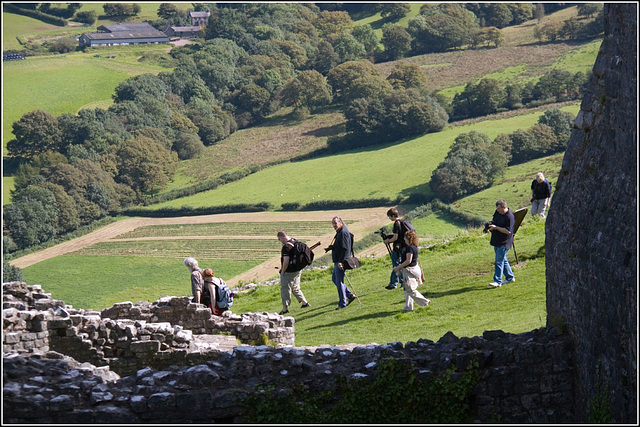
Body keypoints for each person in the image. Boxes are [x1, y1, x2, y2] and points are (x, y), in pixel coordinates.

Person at [393, 230, 430, 311]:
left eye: (405, 238)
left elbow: (408, 261)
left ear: (408, 238)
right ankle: (408, 307)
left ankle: (425, 302)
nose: (404, 239)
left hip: (409, 270)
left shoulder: (410, 248)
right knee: (407, 289)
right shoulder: (414, 247)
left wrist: (398, 267)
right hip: (413, 268)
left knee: (410, 289)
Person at [277, 231, 311, 315]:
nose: (280, 241)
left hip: (289, 271)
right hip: (298, 269)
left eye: (279, 239)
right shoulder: (295, 241)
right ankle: (304, 303)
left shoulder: (286, 247)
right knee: (295, 287)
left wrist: (283, 271)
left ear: (281, 237)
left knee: (285, 289)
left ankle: (285, 308)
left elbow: (286, 261)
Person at [329, 216, 357, 310]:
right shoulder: (340, 232)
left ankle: (342, 303)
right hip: (338, 260)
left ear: (340, 222)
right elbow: (340, 246)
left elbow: (345, 249)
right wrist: (331, 248)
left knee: (339, 281)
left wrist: (341, 262)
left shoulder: (343, 233)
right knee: (335, 279)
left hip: (340, 261)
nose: (334, 225)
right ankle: (350, 295)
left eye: (335, 223)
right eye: (333, 223)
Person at [382, 207, 413, 290]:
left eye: (389, 217)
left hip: (398, 247)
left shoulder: (396, 223)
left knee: (396, 265)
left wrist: (387, 241)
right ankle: (402, 281)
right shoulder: (403, 222)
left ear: (392, 216)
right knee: (401, 264)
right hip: (404, 246)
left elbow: (395, 237)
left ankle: (393, 283)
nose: (389, 218)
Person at [488, 199, 516, 288]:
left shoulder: (509, 217)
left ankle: (497, 281)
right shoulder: (497, 213)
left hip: (504, 242)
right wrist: (490, 225)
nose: (498, 211)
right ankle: (510, 277)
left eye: (499, 209)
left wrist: (496, 227)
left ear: (504, 207)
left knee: (498, 261)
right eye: (497, 209)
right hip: (496, 240)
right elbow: (494, 221)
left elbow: (508, 231)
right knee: (503, 260)